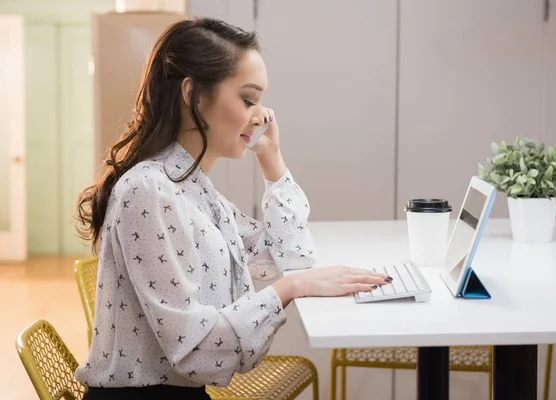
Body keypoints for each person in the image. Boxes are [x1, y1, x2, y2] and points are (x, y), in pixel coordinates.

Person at [74, 16, 391, 400]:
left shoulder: (192, 188)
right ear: (193, 95)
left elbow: (290, 256)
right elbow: (196, 350)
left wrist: (272, 159)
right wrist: (288, 290)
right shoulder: (147, 190)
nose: (261, 115)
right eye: (247, 99)